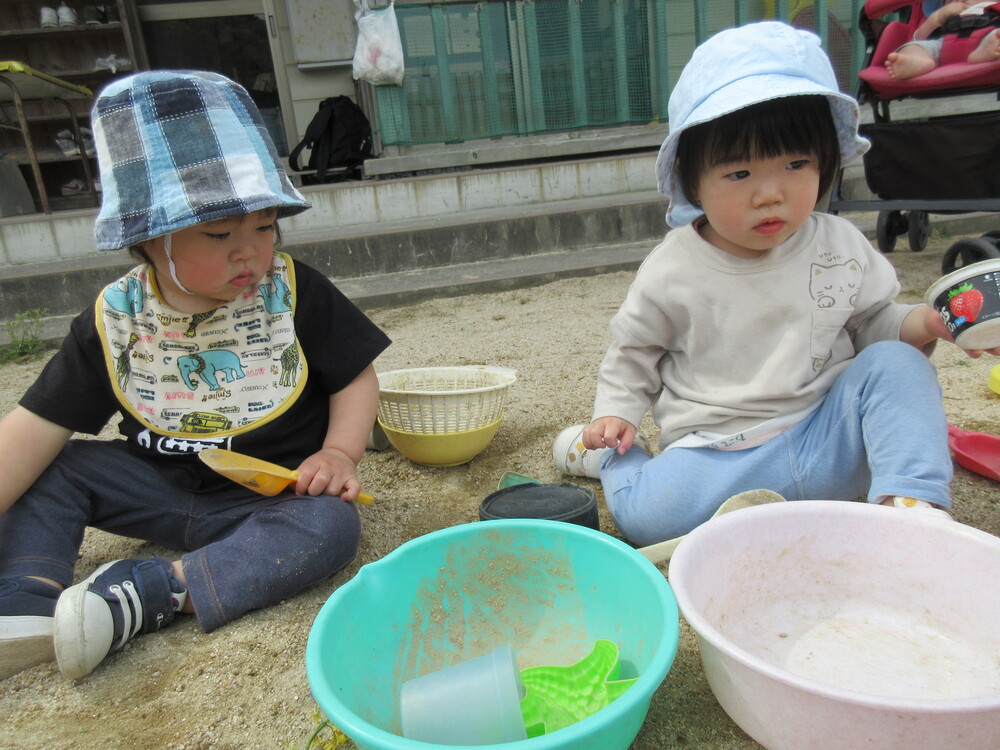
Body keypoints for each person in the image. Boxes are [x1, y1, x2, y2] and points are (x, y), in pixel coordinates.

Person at [0, 71, 390, 681]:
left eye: (265, 227)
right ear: (148, 238)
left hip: (266, 495)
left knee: (332, 526)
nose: (251, 253)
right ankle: (27, 591)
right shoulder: (118, 319)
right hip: (151, 486)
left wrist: (340, 452)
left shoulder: (291, 291)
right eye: (218, 234)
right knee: (54, 466)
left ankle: (158, 590)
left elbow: (354, 377)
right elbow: (33, 427)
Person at [552, 21, 999, 548]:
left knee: (897, 364)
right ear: (691, 179)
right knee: (648, 521)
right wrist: (615, 415)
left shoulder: (839, 243)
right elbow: (635, 352)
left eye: (794, 164)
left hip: (826, 435)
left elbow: (872, 323)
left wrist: (926, 323)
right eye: (739, 174)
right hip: (718, 454)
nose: (771, 194)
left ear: (825, 161)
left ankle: (911, 505)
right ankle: (608, 457)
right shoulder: (673, 269)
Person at [886, 1, 1000, 79]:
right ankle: (915, 61)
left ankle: (985, 53)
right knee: (914, 46)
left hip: (987, 36)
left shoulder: (993, 6)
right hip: (943, 44)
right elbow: (918, 37)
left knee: (996, 37)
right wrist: (938, 17)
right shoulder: (941, 15)